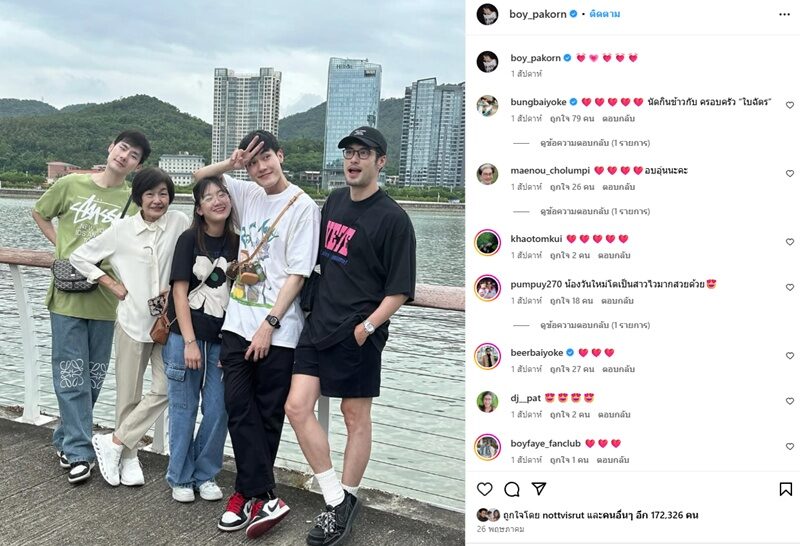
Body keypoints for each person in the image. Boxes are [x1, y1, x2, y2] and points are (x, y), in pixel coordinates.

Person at [285, 126, 416, 546]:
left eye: (363, 153)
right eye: (349, 153)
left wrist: (366, 328)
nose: (353, 160)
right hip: (318, 325)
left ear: (381, 161)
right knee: (296, 407)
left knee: (354, 417)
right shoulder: (335, 202)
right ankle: (335, 500)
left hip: (358, 333)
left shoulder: (394, 219)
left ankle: (347, 496)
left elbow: (400, 289)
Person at [193, 130, 320, 538]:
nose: (260, 167)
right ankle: (265, 496)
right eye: (252, 163)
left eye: (266, 158)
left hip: (278, 331)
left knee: (267, 416)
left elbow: (298, 274)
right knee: (237, 407)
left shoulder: (303, 206)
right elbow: (199, 177)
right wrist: (232, 163)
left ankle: (245, 496)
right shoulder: (247, 193)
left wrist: (270, 325)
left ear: (281, 156)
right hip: (236, 324)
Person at [32, 130, 150, 484]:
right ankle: (80, 452)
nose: (124, 156)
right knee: (71, 375)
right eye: (122, 148)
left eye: (133, 155)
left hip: (107, 299)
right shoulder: (71, 184)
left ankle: (64, 439)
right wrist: (63, 248)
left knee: (94, 378)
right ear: (111, 147)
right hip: (67, 297)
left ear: (137, 165)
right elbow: (40, 213)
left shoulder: (131, 201)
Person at [70, 167, 190, 488]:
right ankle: (128, 456)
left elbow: (195, 252)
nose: (157, 200)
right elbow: (79, 257)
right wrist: (111, 284)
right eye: (150, 194)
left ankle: (115, 441)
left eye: (163, 193)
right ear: (138, 197)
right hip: (132, 322)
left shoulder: (179, 222)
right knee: (128, 394)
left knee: (167, 386)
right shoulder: (121, 230)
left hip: (167, 324)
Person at [163, 177, 239, 503]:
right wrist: (190, 342)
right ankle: (180, 476)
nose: (218, 201)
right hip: (185, 337)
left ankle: (205, 473)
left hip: (223, 339)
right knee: (183, 408)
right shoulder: (188, 240)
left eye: (222, 194)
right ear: (199, 208)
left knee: (219, 409)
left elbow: (242, 294)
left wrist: (234, 342)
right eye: (209, 197)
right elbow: (179, 293)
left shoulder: (238, 243)